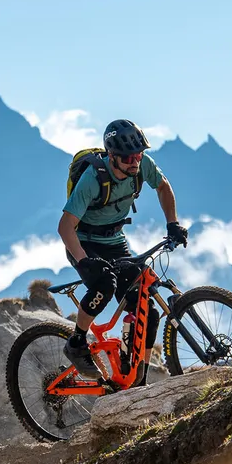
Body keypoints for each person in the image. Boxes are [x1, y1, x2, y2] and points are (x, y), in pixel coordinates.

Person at [58, 119, 189, 385]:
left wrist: (172, 223)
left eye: (139, 155)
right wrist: (84, 263)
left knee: (147, 310)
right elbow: (65, 227)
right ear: (113, 157)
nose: (135, 162)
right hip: (83, 242)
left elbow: (163, 187)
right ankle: (77, 342)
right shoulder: (93, 179)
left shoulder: (143, 167)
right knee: (104, 285)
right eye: (129, 157)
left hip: (115, 242)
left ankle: (136, 375)